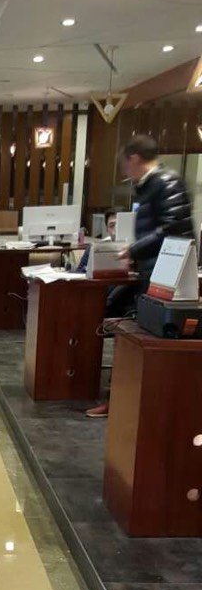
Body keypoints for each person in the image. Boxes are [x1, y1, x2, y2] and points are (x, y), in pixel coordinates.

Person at [86, 135, 194, 417]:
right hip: (149, 271)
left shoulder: (166, 183)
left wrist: (134, 249)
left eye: (124, 165)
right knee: (122, 324)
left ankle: (132, 403)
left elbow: (173, 229)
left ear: (134, 159)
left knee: (140, 336)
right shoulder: (150, 186)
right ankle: (122, 399)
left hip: (165, 278)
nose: (125, 172)